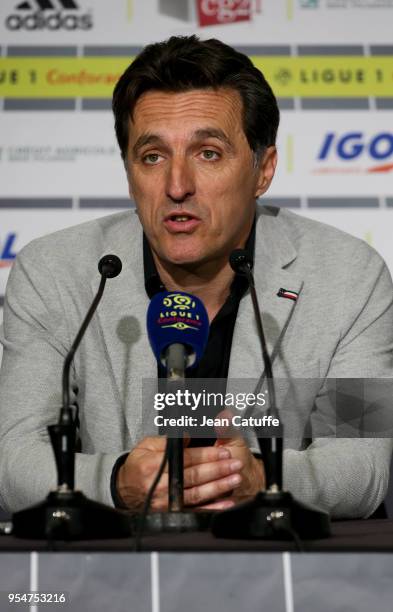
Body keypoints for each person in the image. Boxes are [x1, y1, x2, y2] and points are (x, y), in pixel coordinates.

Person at [0, 36, 392, 518]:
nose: (177, 186)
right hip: (114, 577)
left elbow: (364, 468)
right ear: (128, 173)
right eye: (153, 156)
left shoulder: (349, 276)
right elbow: (12, 458)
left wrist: (260, 480)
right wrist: (117, 479)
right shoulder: (56, 272)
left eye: (208, 153)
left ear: (262, 168)